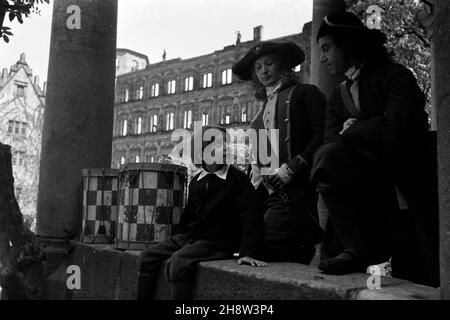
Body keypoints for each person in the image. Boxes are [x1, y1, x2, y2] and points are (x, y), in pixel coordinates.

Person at [311, 11, 439, 286]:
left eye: (326, 48)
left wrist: (353, 129)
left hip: (402, 189)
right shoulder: (337, 95)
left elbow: (398, 130)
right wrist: (371, 127)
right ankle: (354, 248)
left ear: (348, 43)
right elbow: (331, 145)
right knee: (326, 157)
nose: (322, 58)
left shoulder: (397, 77)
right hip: (362, 190)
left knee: (416, 275)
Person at [136, 125, 266, 300]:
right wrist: (177, 240)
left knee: (179, 262)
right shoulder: (197, 180)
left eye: (226, 144)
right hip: (194, 237)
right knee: (147, 257)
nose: (226, 148)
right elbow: (188, 216)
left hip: (221, 241)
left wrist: (248, 252)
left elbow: (252, 216)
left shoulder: (238, 179)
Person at [232, 41, 326, 264]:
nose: (263, 71)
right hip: (270, 196)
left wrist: (293, 167)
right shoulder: (260, 113)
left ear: (283, 66)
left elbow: (323, 134)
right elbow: (263, 162)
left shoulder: (305, 93)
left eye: (269, 64)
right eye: (258, 67)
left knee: (275, 241)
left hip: (296, 193)